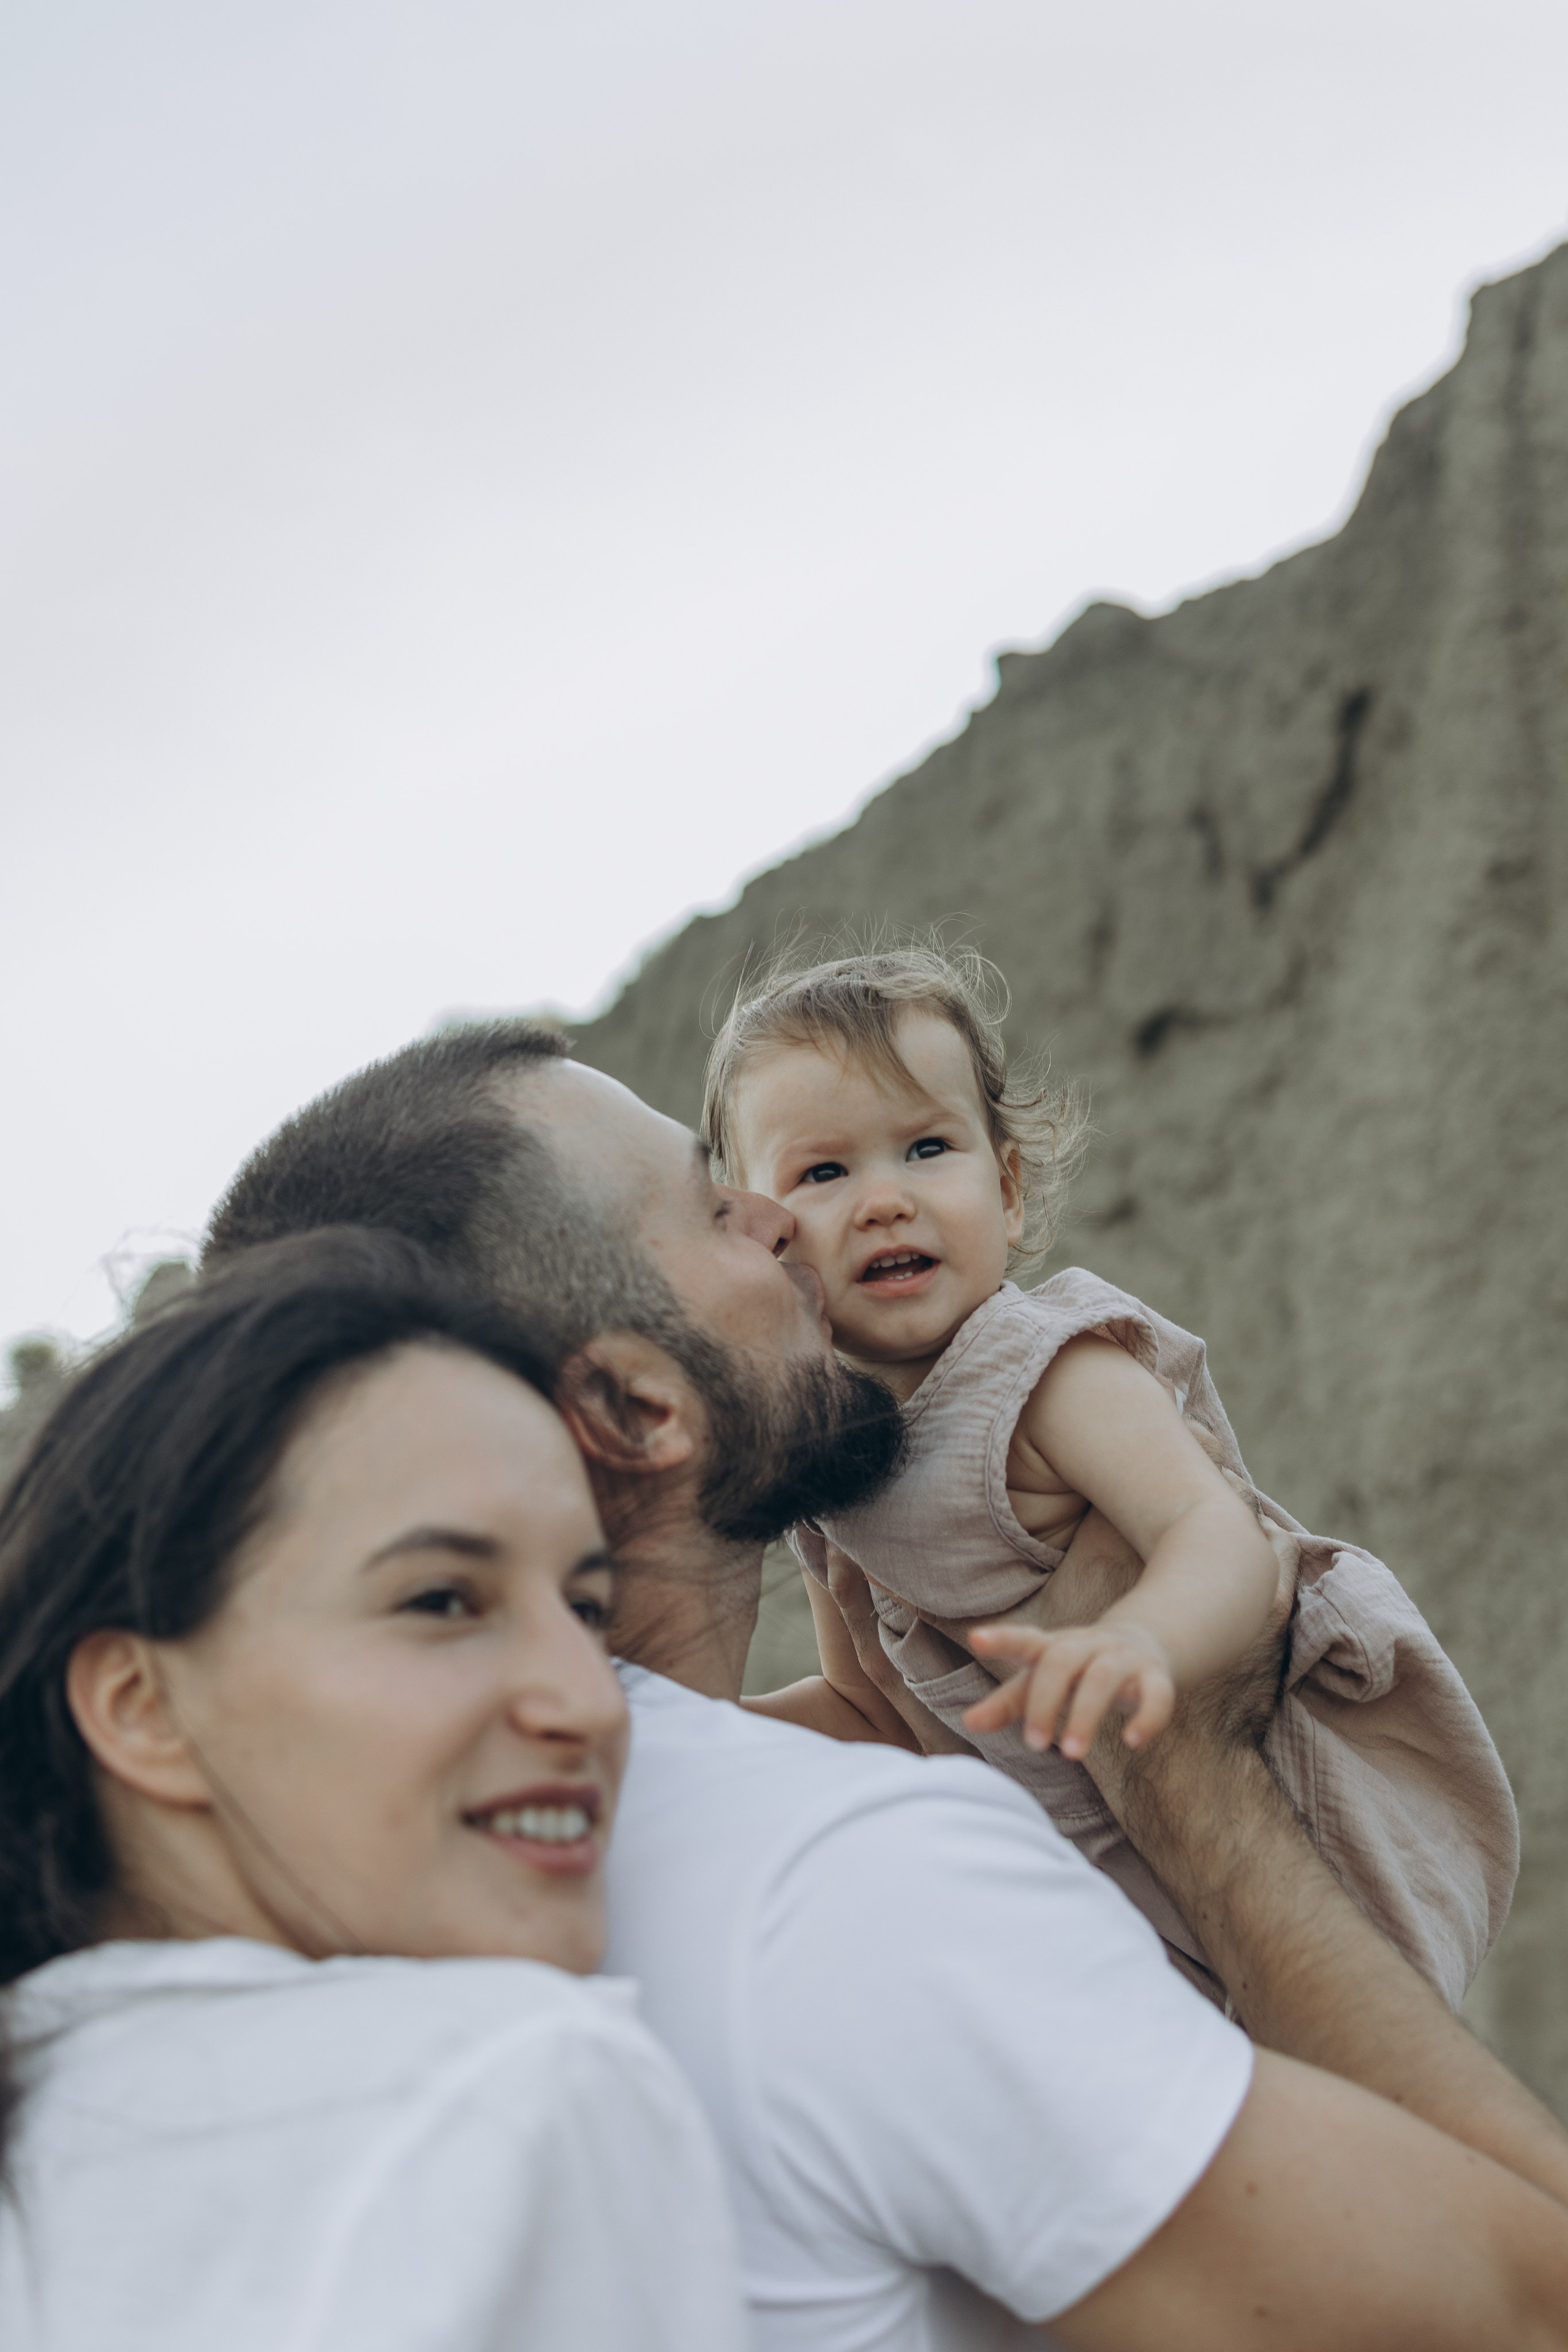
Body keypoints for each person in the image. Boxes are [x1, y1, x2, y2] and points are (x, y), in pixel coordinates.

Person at [206, 1022, 1568, 2351]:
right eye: (715, 1205)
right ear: (631, 1410)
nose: (783, 1223)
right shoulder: (840, 1881)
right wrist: (1186, 1775)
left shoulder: (386, 1874)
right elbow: (1528, 2302)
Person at [701, 940, 1517, 2002]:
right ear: (761, 1238)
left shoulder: (1040, 1368)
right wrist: (692, 1735)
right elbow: (872, 1718)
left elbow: (1216, 1537)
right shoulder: (831, 1468)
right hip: (1119, 1870)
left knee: (1340, 2042)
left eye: (926, 1148)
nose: (884, 1199)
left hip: (1286, 1786)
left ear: (1008, 1190)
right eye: (824, 1171)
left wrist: (1143, 1640)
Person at [0, 1229, 745, 2352]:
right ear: (140, 1704)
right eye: (443, 1601)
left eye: (587, 1612)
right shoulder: (511, 2093)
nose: (591, 1704)